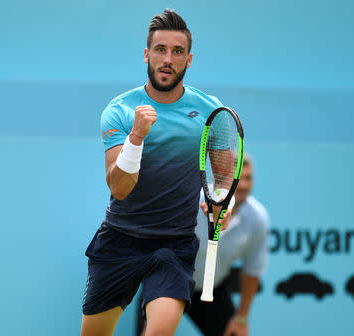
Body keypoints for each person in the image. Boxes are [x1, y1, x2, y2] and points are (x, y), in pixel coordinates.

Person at [81, 9, 230, 336]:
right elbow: (119, 188)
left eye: (177, 52)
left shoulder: (209, 111)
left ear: (188, 60)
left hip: (173, 245)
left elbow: (225, 172)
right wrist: (136, 137)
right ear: (147, 55)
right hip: (119, 240)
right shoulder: (119, 110)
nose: (168, 58)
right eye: (160, 50)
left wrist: (220, 201)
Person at [136, 154, 269, 336]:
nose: (244, 185)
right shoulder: (191, 201)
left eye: (249, 178)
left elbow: (252, 271)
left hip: (212, 289)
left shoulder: (257, 218)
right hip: (168, 281)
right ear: (222, 180)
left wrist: (241, 318)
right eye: (239, 177)